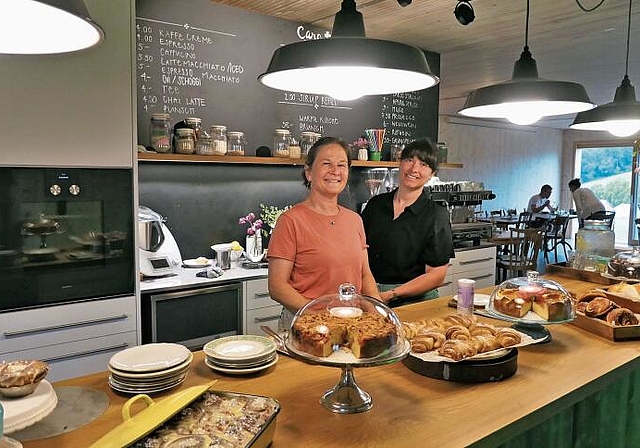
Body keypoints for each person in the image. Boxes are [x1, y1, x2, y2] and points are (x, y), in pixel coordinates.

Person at [268, 136, 380, 329]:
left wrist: (377, 313)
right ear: (309, 173)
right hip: (306, 325)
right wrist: (319, 318)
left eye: (342, 165)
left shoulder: (355, 220)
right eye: (326, 164)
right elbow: (277, 287)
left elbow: (365, 275)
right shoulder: (290, 221)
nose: (335, 171)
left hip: (352, 322)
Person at [361, 138, 455, 306]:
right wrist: (371, 291)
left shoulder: (436, 215)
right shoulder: (376, 205)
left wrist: (391, 294)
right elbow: (359, 250)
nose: (414, 169)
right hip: (370, 294)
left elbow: (437, 275)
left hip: (416, 301)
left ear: (432, 174)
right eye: (409, 160)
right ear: (400, 163)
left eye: (423, 165)